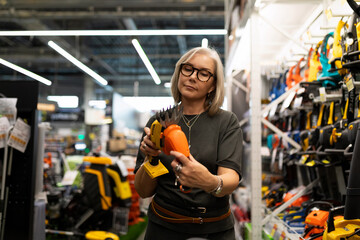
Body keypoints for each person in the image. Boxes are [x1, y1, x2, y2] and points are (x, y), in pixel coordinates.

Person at [134, 47, 243, 240]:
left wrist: (209, 182)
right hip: (164, 226)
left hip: (214, 229)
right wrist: (151, 159)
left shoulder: (226, 122)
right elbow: (143, 191)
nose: (192, 77)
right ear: (179, 74)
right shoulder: (158, 122)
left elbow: (230, 179)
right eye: (188, 69)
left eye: (203, 74)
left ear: (212, 86)